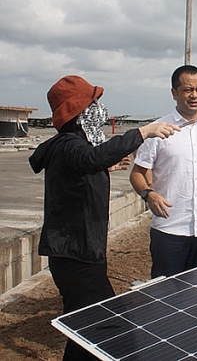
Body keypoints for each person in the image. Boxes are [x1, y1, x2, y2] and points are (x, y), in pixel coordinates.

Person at [28, 75, 180, 361]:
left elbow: (82, 170)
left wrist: (103, 170)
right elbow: (90, 159)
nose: (101, 109)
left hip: (79, 251)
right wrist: (144, 132)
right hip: (76, 253)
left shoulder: (69, 148)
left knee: (83, 325)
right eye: (94, 103)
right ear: (80, 113)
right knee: (107, 324)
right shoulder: (69, 145)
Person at [130, 65, 197, 278]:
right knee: (166, 295)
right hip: (170, 228)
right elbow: (137, 173)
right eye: (188, 90)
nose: (195, 95)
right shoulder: (158, 129)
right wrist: (148, 194)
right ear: (174, 93)